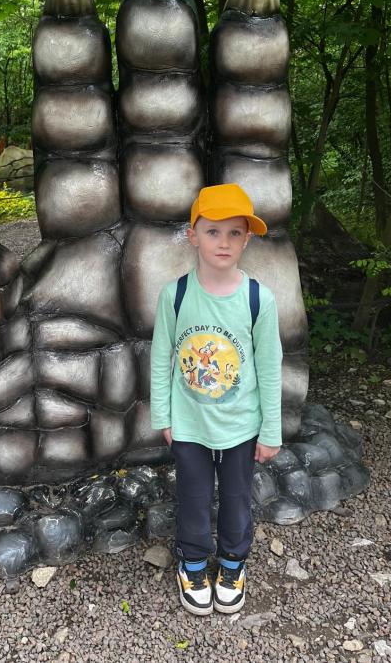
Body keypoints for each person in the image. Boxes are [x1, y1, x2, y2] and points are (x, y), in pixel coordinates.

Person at [150, 183, 283, 616]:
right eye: (212, 231)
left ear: (247, 240)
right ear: (193, 235)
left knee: (237, 498)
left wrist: (271, 430)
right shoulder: (175, 295)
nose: (223, 242)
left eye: (234, 233)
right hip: (189, 426)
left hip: (242, 426)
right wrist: (163, 416)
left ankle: (231, 564)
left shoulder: (258, 299)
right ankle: (192, 564)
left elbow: (270, 368)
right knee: (192, 497)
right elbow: (161, 359)